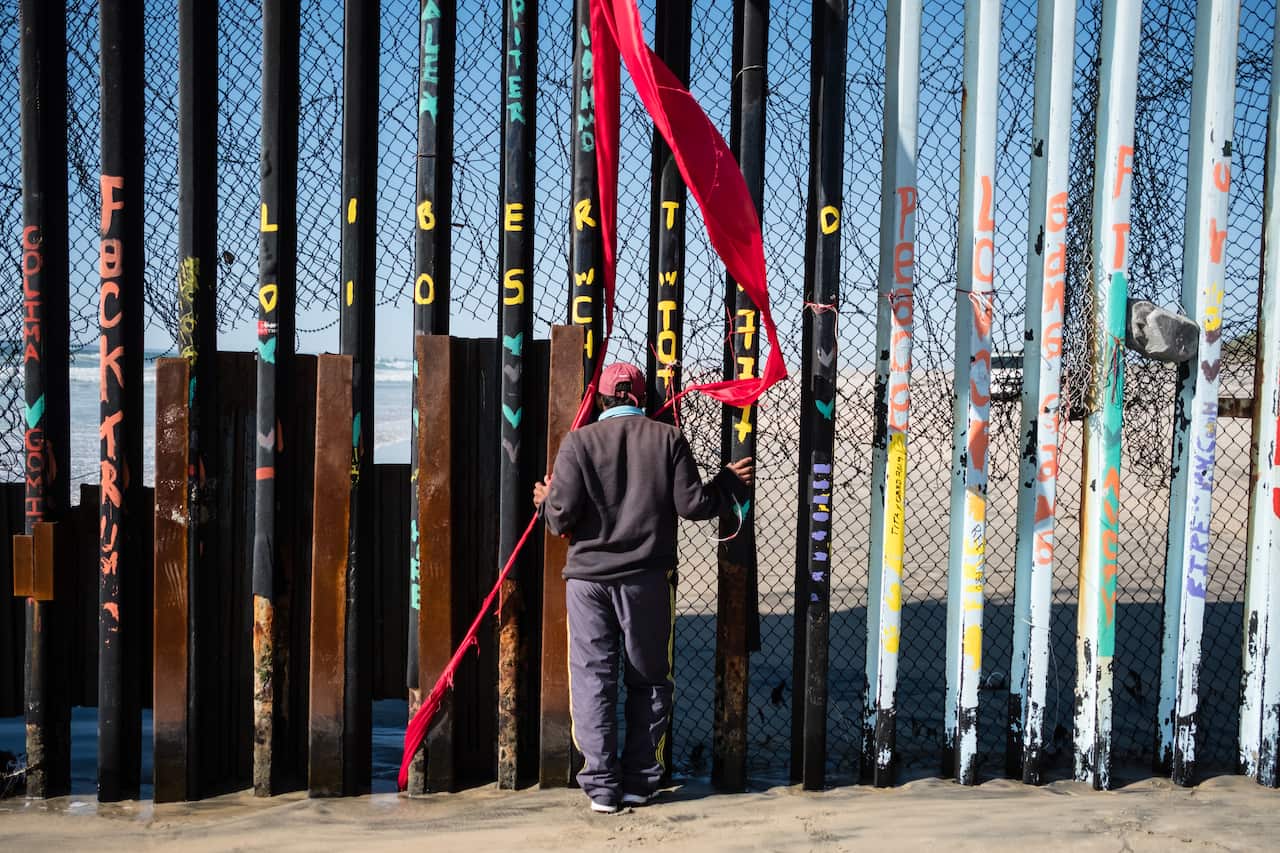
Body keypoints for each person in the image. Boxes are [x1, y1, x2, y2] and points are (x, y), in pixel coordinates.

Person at [533, 362, 754, 814]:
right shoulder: (667, 438)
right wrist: (728, 482)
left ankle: (601, 787)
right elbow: (693, 505)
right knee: (649, 678)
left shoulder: (578, 442)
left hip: (589, 581)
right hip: (647, 580)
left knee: (593, 679)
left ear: (601, 401)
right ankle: (639, 781)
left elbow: (560, 518)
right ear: (640, 399)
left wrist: (544, 501)